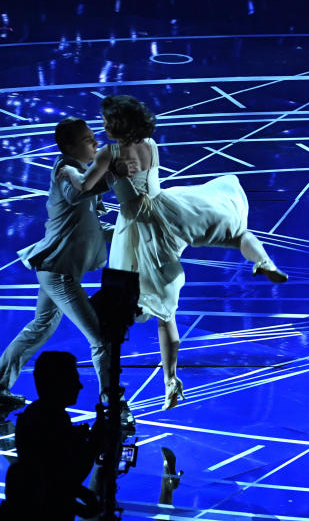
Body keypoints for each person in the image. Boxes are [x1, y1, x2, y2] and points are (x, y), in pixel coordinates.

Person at [58, 96, 287, 410]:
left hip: (138, 230)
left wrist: (68, 172)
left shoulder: (108, 153)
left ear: (116, 124)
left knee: (140, 306)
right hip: (167, 212)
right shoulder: (150, 144)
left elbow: (84, 188)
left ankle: (159, 382)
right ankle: (262, 260)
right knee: (231, 236)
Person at [0, 118, 124, 413]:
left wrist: (130, 231)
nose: (95, 143)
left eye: (94, 138)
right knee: (101, 338)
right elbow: (77, 192)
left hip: (55, 269)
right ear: (69, 147)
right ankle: (112, 403)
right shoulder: (66, 170)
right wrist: (111, 173)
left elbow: (91, 227)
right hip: (59, 273)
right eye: (87, 140)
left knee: (40, 327)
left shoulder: (80, 172)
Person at [1, 351, 102, 521]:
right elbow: (67, 477)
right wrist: (95, 442)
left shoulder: (34, 414)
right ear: (59, 383)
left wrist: (82, 500)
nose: (80, 386)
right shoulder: (52, 419)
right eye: (74, 379)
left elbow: (50, 479)